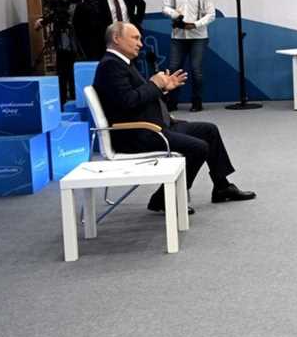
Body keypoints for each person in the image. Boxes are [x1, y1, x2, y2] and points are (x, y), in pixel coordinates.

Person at [93, 22, 255, 213]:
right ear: (117, 39)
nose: (140, 44)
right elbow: (128, 101)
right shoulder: (111, 66)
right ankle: (163, 198)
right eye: (135, 38)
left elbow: (139, 99)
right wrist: (154, 84)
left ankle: (221, 186)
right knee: (198, 148)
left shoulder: (122, 64)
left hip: (154, 126)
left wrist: (163, 87)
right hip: (137, 134)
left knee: (208, 130)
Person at [163, 0, 215, 112]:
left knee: (196, 70)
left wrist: (195, 24)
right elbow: (165, 7)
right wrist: (175, 15)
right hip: (178, 36)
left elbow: (211, 14)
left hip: (198, 36)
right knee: (173, 69)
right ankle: (171, 102)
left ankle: (197, 102)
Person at [39, 0, 87, 103]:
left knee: (72, 70)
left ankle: (72, 96)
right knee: (67, 70)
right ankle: (66, 99)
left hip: (72, 40)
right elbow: (57, 14)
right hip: (66, 40)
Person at [80, 0, 146, 60]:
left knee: (131, 62)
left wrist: (137, 21)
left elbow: (141, 4)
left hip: (128, 34)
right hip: (109, 37)